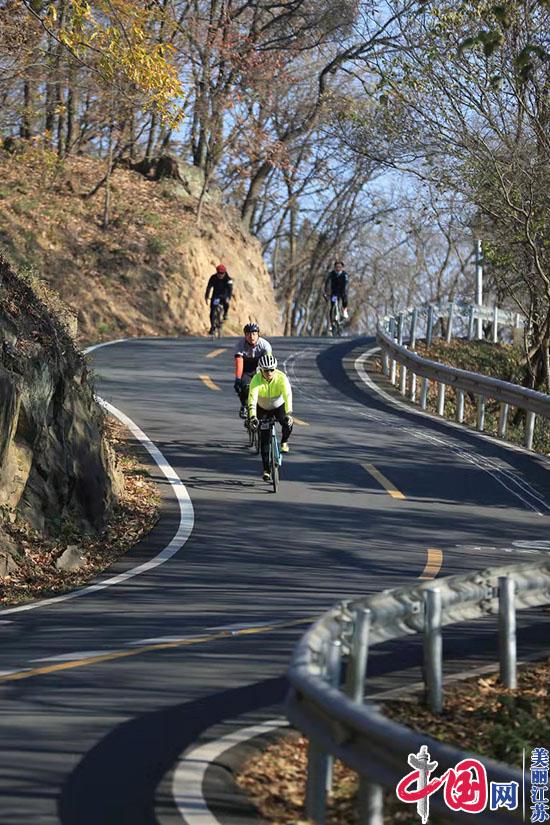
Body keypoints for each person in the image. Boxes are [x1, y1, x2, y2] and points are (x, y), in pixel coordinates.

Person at [248, 353, 293, 482]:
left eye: (271, 370)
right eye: (266, 370)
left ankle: (284, 441)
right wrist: (252, 417)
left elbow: (288, 395)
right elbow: (252, 399)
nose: (269, 372)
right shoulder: (256, 380)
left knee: (288, 423)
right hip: (262, 408)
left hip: (278, 406)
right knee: (264, 440)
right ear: (261, 370)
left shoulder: (282, 378)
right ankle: (266, 470)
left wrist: (289, 413)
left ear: (275, 369)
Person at [233, 323, 272, 418]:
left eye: (254, 334)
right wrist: (238, 378)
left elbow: (269, 363)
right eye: (248, 334)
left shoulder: (265, 345)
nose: (251, 336)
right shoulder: (240, 345)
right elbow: (239, 362)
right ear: (245, 335)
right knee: (245, 386)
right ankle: (244, 406)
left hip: (261, 367)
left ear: (258, 334)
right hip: (246, 368)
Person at [205, 264, 233, 334]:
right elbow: (209, 287)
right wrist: (206, 296)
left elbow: (230, 290)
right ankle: (212, 327)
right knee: (212, 311)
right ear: (216, 272)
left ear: (224, 273)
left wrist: (228, 298)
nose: (220, 275)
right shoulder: (213, 277)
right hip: (215, 295)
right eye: (219, 273)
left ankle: (225, 314)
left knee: (226, 303)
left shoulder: (228, 279)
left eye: (222, 273)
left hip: (224, 294)